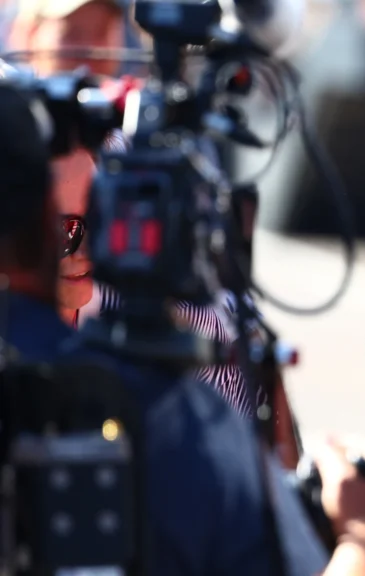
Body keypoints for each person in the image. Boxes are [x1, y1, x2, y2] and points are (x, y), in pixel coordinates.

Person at [0, 83, 365, 576]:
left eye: (96, 221)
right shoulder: (177, 417)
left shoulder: (198, 356)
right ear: (43, 223)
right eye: (68, 229)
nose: (85, 249)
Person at [7, 0, 255, 414]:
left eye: (101, 218)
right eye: (72, 31)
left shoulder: (158, 145)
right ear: (26, 34)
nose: (88, 49)